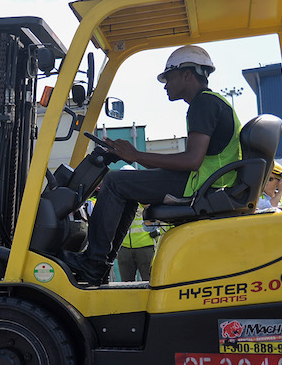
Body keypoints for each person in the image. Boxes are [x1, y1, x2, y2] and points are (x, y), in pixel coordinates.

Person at [62, 45, 240, 285]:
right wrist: (135, 155)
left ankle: (94, 263)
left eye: (169, 77)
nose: (165, 84)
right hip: (207, 181)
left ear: (187, 74)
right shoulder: (211, 103)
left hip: (202, 184)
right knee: (127, 187)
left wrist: (137, 155)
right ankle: (101, 264)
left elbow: (191, 160)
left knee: (114, 181)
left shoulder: (203, 104)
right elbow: (192, 158)